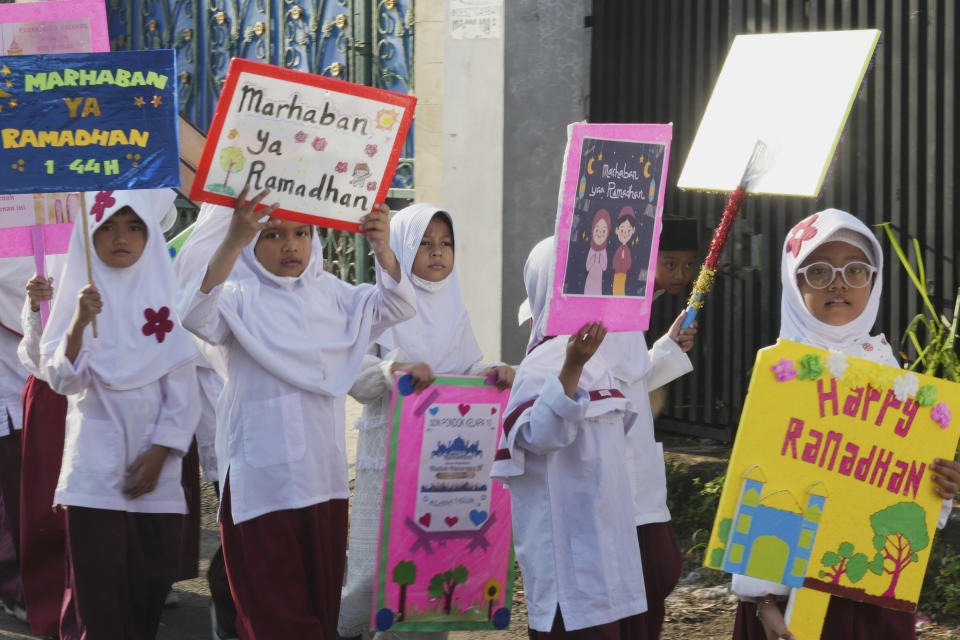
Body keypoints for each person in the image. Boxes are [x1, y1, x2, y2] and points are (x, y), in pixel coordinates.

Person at [179, 187, 416, 639]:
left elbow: (399, 304)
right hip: (261, 487)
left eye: (301, 233)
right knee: (276, 618)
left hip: (321, 482)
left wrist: (382, 247)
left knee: (318, 608)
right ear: (252, 244)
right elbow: (193, 314)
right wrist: (232, 240)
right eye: (272, 235)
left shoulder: (334, 296)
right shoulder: (238, 298)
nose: (291, 245)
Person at [731, 208, 960, 640]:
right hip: (791, 593)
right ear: (794, 284)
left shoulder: (889, 369)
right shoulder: (784, 372)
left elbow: (902, 487)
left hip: (871, 588)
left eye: (856, 270)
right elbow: (767, 483)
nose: (839, 283)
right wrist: (764, 598)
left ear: (875, 281)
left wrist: (939, 487)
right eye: (818, 271)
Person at [337, 203, 514, 640]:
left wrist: (493, 374)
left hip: (444, 474)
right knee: (373, 573)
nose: (438, 253)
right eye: (424, 244)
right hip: (388, 468)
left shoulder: (455, 309)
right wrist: (392, 370)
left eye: (446, 244)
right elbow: (354, 378)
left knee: (434, 571)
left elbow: (464, 376)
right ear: (401, 248)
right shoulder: (377, 306)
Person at [38, 189, 200, 640]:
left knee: (148, 588)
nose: (120, 237)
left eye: (133, 226)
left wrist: (160, 452)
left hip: (155, 472)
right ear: (88, 236)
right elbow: (63, 381)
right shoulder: (80, 300)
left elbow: (183, 391)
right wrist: (74, 325)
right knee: (99, 597)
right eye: (106, 226)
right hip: (93, 472)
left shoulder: (166, 303)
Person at [492, 237, 647, 639]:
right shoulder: (538, 365)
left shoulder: (605, 362)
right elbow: (541, 436)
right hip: (568, 553)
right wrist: (572, 367)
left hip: (605, 543)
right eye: (572, 286)